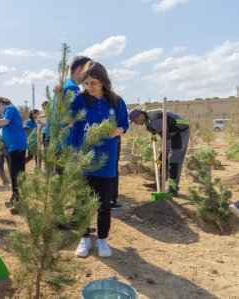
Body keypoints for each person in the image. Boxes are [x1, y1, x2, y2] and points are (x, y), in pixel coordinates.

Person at [72, 61, 128, 258]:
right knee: (81, 203)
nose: (89, 87)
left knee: (103, 204)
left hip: (105, 161)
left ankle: (102, 240)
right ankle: (84, 239)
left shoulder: (116, 102)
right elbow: (65, 115)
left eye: (93, 83)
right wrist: (65, 95)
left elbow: (124, 125)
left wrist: (117, 131)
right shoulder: (80, 100)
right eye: (85, 83)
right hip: (82, 160)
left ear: (103, 81)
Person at [128, 108, 190, 196]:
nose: (135, 123)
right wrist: (153, 137)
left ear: (140, 116)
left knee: (174, 161)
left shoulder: (155, 121)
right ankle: (160, 182)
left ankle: (173, 189)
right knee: (164, 158)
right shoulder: (148, 119)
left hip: (181, 131)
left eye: (135, 121)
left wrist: (161, 157)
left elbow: (167, 142)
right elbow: (153, 130)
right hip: (171, 131)